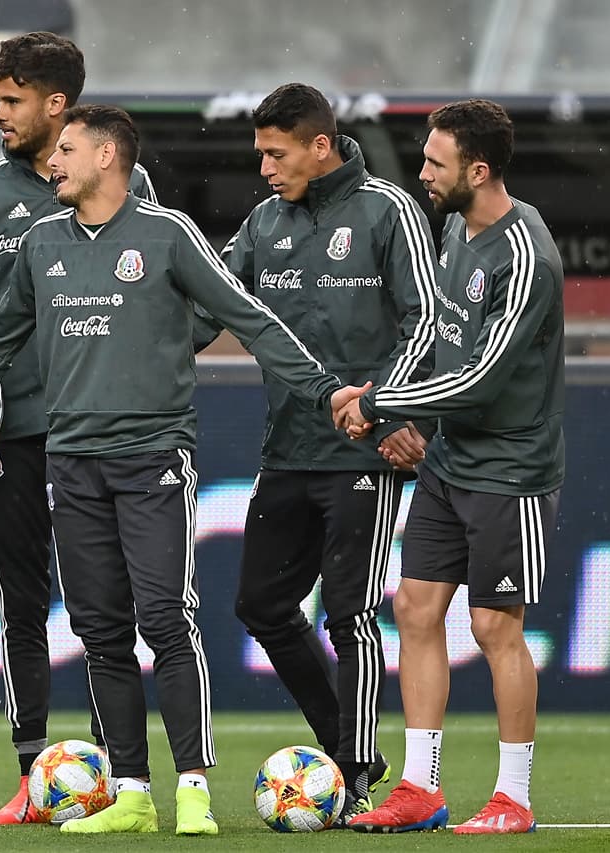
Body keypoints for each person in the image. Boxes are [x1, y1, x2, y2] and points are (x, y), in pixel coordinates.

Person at [0, 104, 368, 836]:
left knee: (167, 621)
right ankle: (132, 793)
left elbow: (251, 319)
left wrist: (325, 391)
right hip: (71, 463)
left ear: (108, 156)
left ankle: (193, 788)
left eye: (68, 150)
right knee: (101, 631)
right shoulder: (42, 243)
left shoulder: (168, 234)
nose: (54, 162)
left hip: (152, 459)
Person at [194, 82, 437, 825]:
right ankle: (343, 742)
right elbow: (210, 307)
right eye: (260, 154)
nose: (264, 168)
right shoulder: (262, 223)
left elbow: (426, 322)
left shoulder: (389, 211)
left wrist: (385, 407)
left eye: (276, 153)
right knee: (261, 604)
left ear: (320, 145)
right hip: (289, 448)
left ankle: (354, 772)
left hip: (364, 452)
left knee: (350, 611)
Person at [338, 99, 565, 835]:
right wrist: (393, 409)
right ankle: (421, 788)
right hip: (450, 461)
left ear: (479, 169)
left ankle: (513, 797)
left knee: (495, 625)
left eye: (437, 163)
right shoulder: (451, 229)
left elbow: (481, 380)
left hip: (509, 469)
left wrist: (380, 403)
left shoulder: (525, 255)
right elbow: (438, 341)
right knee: (414, 608)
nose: (424, 173)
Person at [0, 31, 158, 826]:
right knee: (22, 604)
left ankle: (119, 769)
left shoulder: (121, 180)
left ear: (56, 103)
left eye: (12, 100)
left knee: (110, 607)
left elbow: (158, 299)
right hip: (15, 431)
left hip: (103, 429)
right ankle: (32, 774)